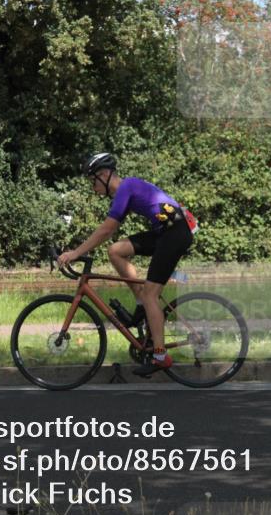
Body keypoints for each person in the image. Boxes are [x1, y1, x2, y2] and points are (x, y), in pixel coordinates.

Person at [57, 152, 197, 376]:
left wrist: (75, 253)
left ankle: (160, 356)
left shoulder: (126, 187)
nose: (93, 187)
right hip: (164, 232)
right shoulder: (125, 191)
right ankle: (142, 302)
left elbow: (107, 229)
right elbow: (111, 235)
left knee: (153, 294)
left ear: (104, 174)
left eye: (93, 181)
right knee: (115, 251)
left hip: (174, 234)